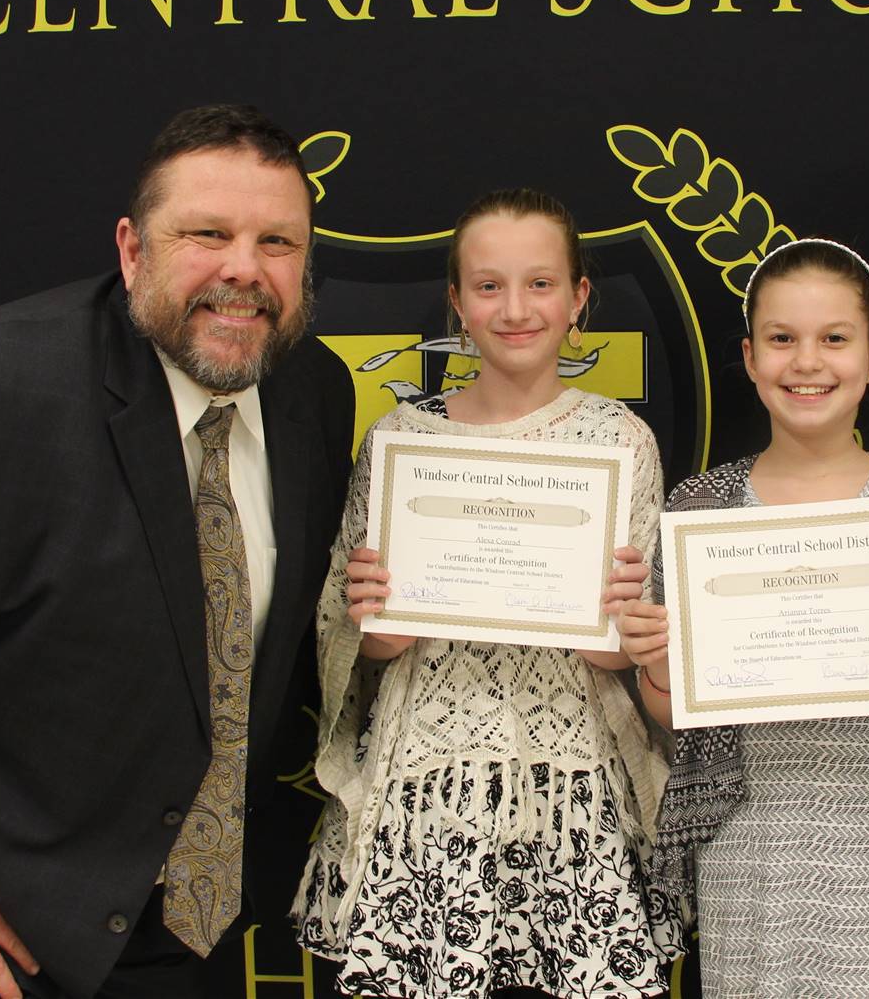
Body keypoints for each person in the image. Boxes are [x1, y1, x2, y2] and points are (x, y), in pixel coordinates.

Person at [0, 105, 355, 999]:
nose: (245, 268)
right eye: (208, 233)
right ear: (133, 250)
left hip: (187, 921)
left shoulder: (314, 390)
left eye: (277, 242)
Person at [291, 189, 682, 998]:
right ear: (456, 303)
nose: (515, 309)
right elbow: (357, 639)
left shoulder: (619, 441)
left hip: (571, 780)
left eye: (541, 284)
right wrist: (373, 623)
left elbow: (626, 646)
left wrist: (619, 626)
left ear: (579, 299)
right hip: (425, 781)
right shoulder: (401, 440)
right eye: (489, 286)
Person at [615, 238, 869, 997]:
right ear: (750, 356)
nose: (807, 362)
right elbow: (668, 713)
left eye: (835, 339)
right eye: (782, 339)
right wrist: (657, 660)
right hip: (749, 842)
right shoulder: (699, 510)